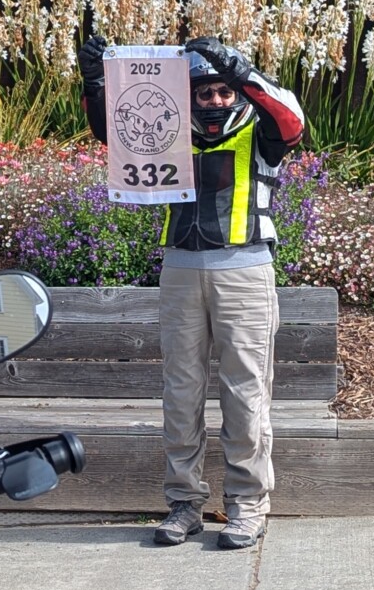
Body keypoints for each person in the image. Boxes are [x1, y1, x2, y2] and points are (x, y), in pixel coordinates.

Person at [79, 34, 306, 549]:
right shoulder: (169, 133)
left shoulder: (262, 133)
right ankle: (184, 503)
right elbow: (115, 131)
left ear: (238, 93)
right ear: (189, 96)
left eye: (224, 92)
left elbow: (292, 120)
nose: (214, 101)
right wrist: (94, 82)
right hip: (181, 268)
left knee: (245, 393)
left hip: (245, 268)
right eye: (204, 92)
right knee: (181, 393)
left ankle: (247, 504)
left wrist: (239, 68)